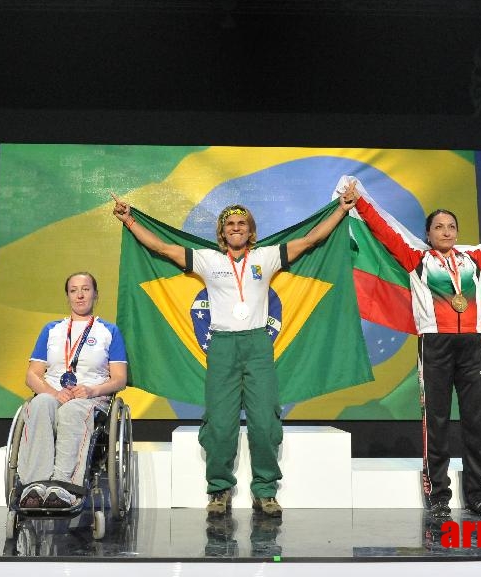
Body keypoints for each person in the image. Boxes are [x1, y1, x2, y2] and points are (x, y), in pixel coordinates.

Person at [111, 182, 358, 517]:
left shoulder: (266, 257)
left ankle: (265, 491)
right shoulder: (208, 260)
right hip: (223, 346)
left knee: (264, 423)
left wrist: (342, 208)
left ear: (250, 230)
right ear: (222, 232)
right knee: (221, 424)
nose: (236, 228)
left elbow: (311, 240)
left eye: (242, 223)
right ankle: (219, 491)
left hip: (258, 344)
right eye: (230, 224)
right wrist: (130, 221)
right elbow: (164, 249)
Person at [355, 198, 481, 520]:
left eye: (451, 227)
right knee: (437, 422)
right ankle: (438, 495)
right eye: (439, 227)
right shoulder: (417, 260)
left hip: (472, 345)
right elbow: (384, 231)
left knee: (476, 423)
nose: (446, 231)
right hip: (434, 345)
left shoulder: (473, 260)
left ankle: (477, 496)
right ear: (428, 234)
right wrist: (358, 200)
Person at [16, 272, 128, 509]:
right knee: (39, 404)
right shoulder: (52, 329)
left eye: (85, 289)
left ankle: (63, 486)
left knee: (74, 410)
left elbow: (119, 379)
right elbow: (32, 375)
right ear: (67, 295)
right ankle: (35, 486)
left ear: (95, 294)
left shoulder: (108, 331)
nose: (80, 295)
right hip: (55, 394)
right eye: (74, 290)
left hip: (90, 400)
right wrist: (54, 393)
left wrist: (92, 390)